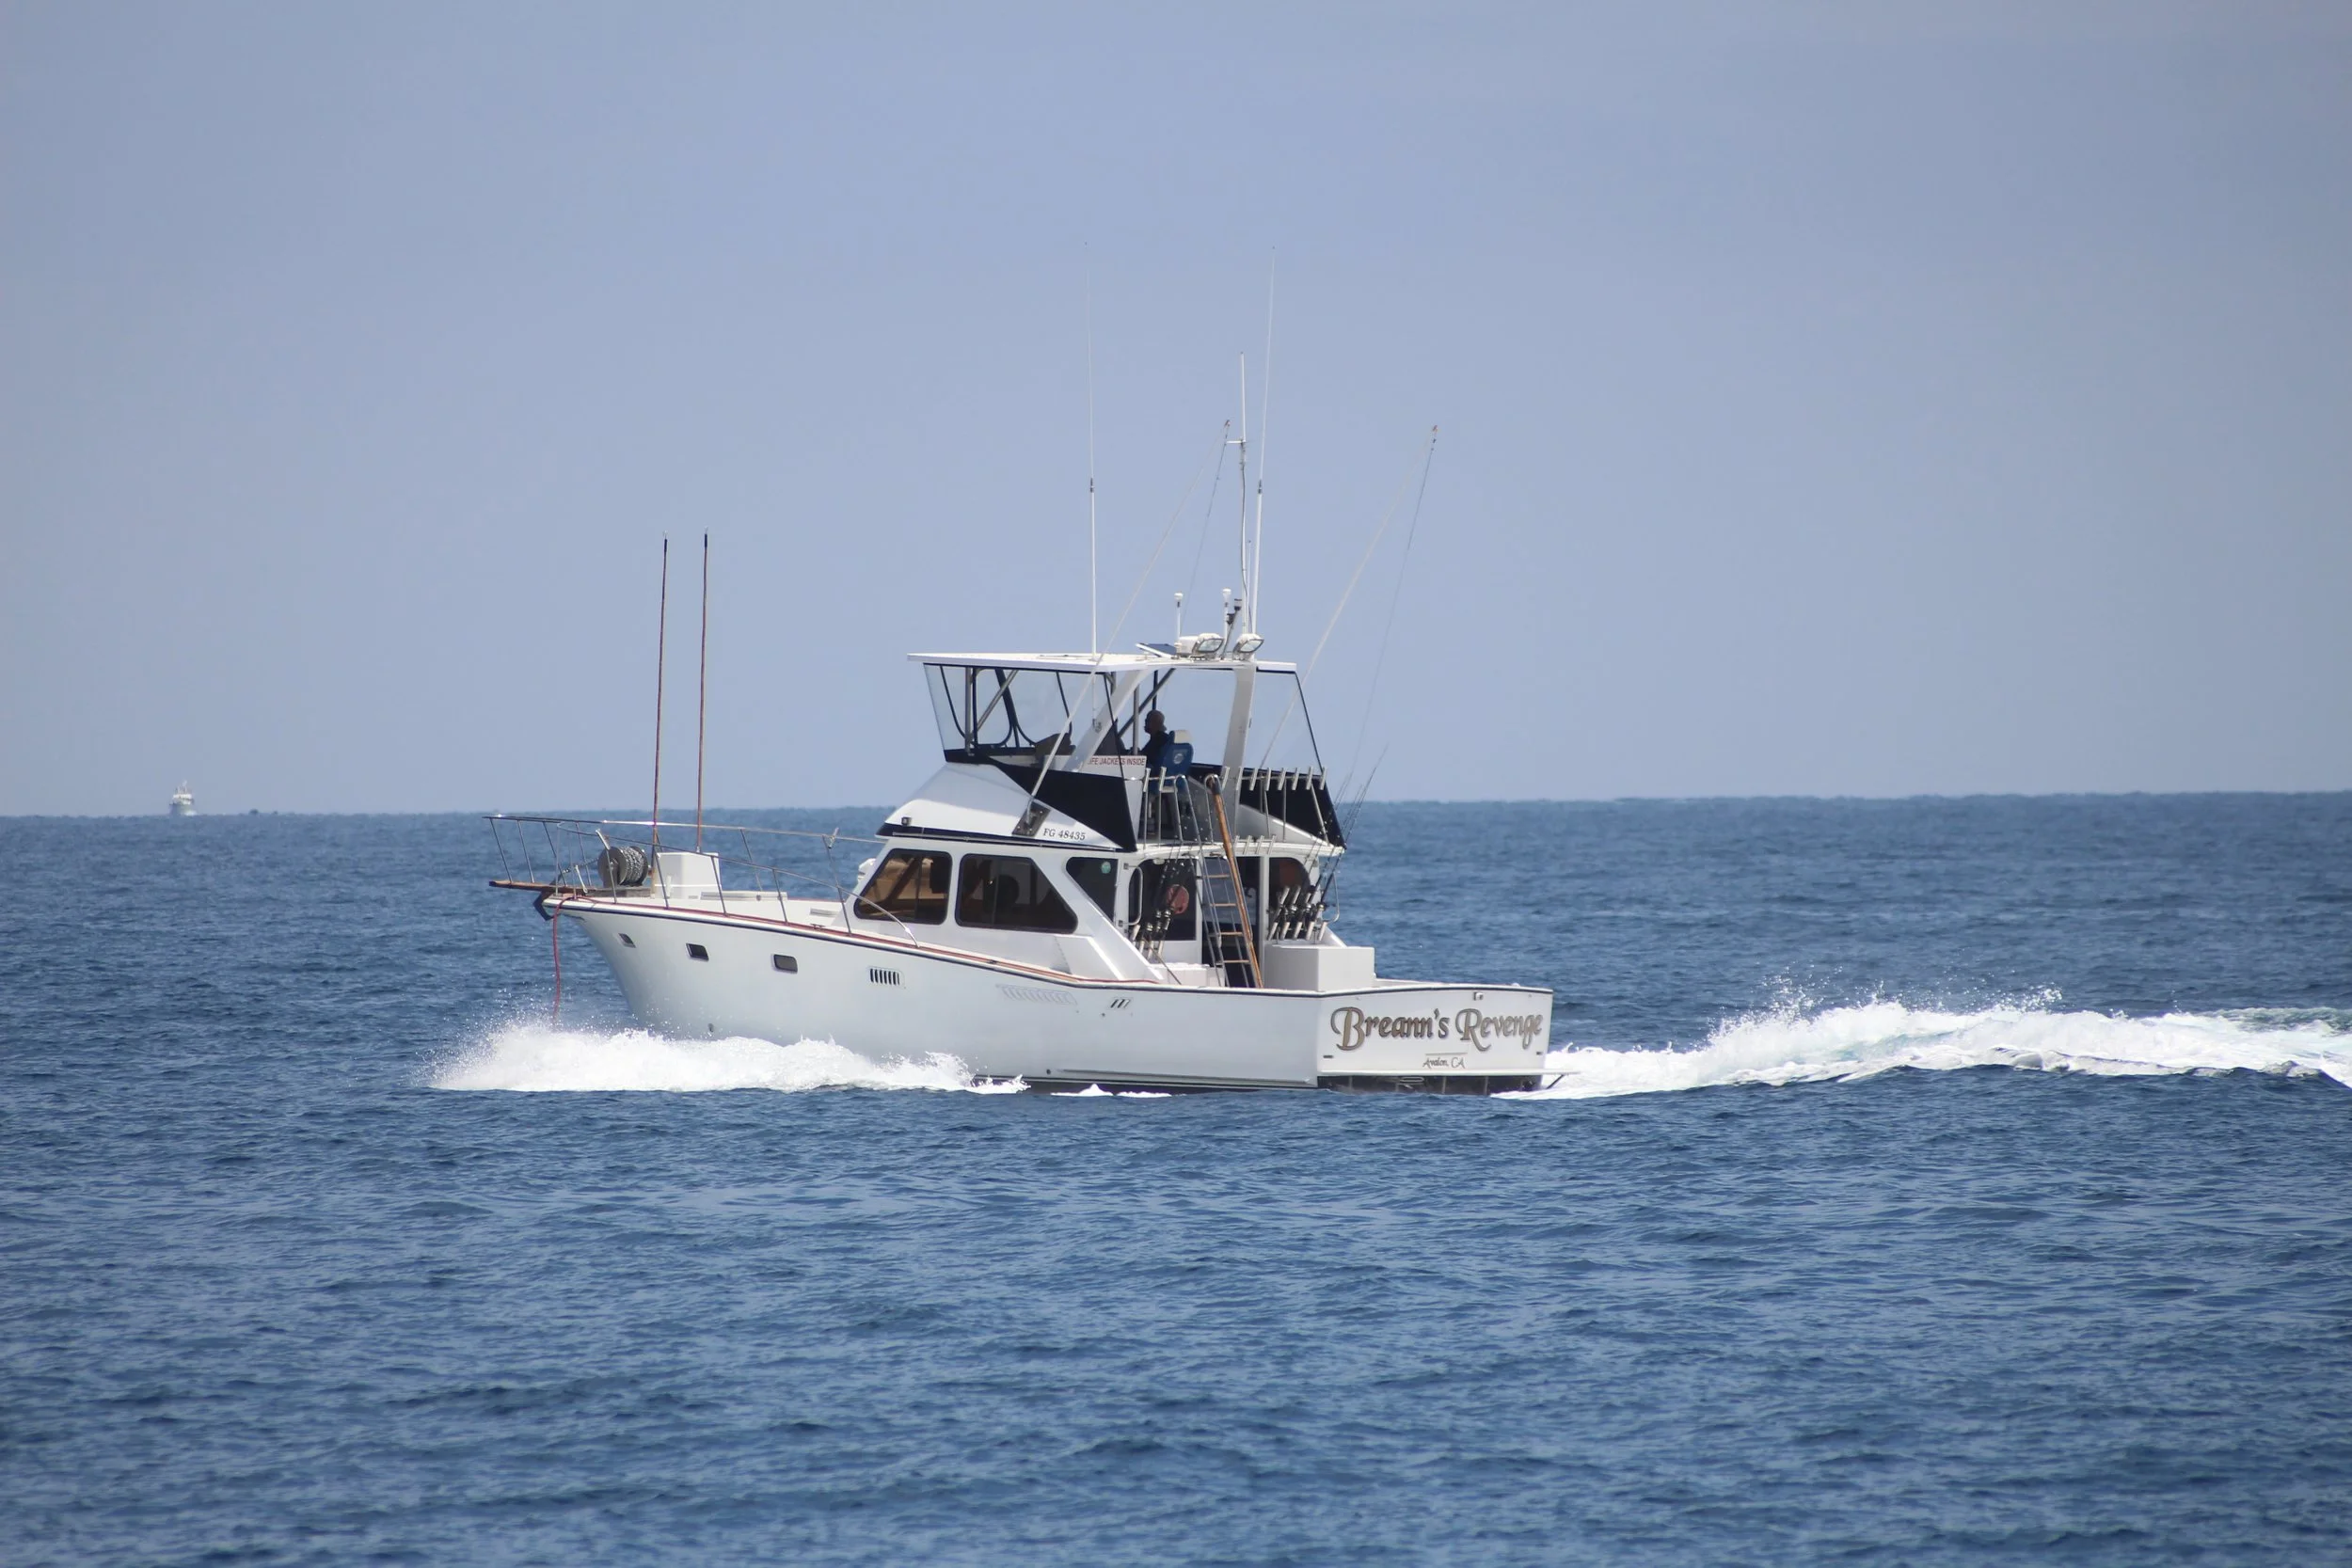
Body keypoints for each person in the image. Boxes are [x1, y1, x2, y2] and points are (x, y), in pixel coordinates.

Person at [1141, 709, 1173, 777]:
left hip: (1153, 774)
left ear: (1155, 723)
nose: (1145, 722)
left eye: (1147, 720)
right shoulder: (1162, 738)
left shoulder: (1159, 739)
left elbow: (1145, 757)